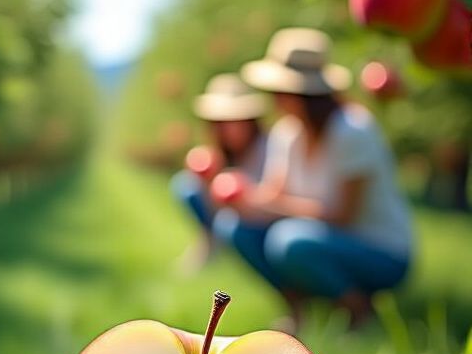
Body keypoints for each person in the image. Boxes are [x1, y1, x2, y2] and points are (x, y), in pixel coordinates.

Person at [212, 29, 412, 331]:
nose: (274, 100)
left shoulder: (352, 131)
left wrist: (269, 203)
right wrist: (245, 201)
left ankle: (358, 311)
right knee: (236, 227)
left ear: (302, 95)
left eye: (279, 92)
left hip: (380, 252)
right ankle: (298, 312)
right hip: (320, 240)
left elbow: (344, 216)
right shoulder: (287, 133)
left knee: (290, 239)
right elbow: (274, 194)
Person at [171, 74, 267, 266]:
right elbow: (215, 205)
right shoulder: (219, 153)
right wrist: (210, 181)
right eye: (220, 122)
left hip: (258, 217)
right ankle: (209, 243)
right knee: (185, 185)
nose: (226, 128)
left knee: (228, 223)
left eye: (233, 120)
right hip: (233, 214)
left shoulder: (268, 149)